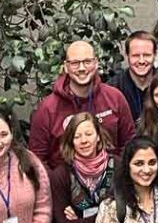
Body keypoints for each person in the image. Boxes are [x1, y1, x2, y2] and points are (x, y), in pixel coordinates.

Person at [30, 39, 136, 168]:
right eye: (75, 63)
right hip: (65, 185)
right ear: (66, 67)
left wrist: (118, 176)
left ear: (96, 63)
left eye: (87, 62)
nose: (81, 68)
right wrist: (56, 182)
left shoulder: (114, 98)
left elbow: (129, 144)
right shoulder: (47, 108)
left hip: (111, 182)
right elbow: (37, 159)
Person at [110, 30, 158, 122]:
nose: (141, 61)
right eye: (136, 55)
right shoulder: (113, 89)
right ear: (126, 56)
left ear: (155, 55)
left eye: (147, 55)